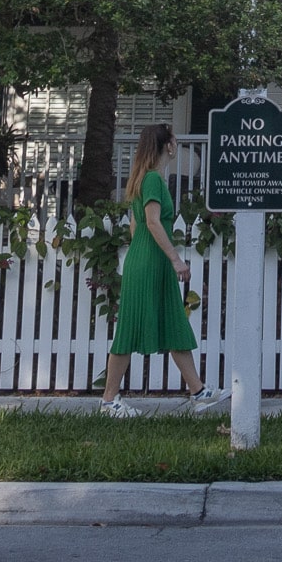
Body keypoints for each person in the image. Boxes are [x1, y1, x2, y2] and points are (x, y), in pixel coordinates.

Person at [99, 122, 223, 417]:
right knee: (129, 328)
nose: (177, 143)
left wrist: (152, 256)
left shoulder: (143, 178)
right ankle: (108, 401)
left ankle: (199, 391)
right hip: (152, 261)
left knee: (173, 322)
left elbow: (134, 226)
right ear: (166, 145)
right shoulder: (153, 180)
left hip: (147, 259)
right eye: (174, 140)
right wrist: (175, 259)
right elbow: (152, 222)